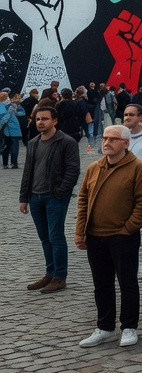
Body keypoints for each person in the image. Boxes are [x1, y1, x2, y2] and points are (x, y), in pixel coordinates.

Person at [76, 124, 142, 349]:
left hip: (123, 236)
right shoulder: (94, 168)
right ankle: (104, 327)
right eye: (105, 138)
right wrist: (81, 231)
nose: (107, 142)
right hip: (95, 235)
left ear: (126, 143)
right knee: (101, 284)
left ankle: (129, 326)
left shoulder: (138, 169)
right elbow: (83, 200)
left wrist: (129, 227)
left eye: (113, 139)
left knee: (127, 282)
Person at [20, 104, 80, 294]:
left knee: (56, 236)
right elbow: (27, 172)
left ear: (54, 121)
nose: (40, 122)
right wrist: (24, 198)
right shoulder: (33, 142)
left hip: (55, 197)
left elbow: (73, 170)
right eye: (38, 119)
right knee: (45, 238)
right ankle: (50, 272)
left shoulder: (66, 141)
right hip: (35, 197)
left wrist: (61, 191)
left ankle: (60, 276)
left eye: (44, 119)